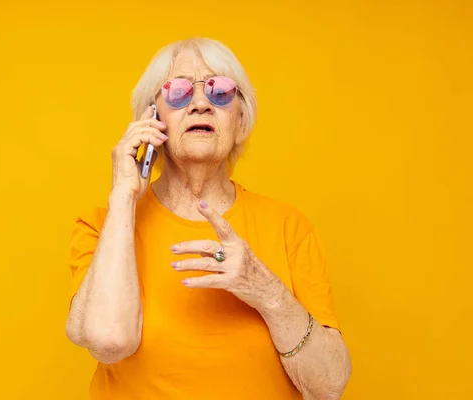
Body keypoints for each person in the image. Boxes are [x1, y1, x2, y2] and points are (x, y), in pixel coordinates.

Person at [65, 37, 352, 400]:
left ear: (241, 119)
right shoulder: (102, 226)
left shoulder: (289, 226)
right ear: (151, 120)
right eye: (178, 91)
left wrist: (266, 291)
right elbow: (108, 342)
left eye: (220, 91)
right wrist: (123, 197)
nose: (200, 103)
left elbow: (329, 386)